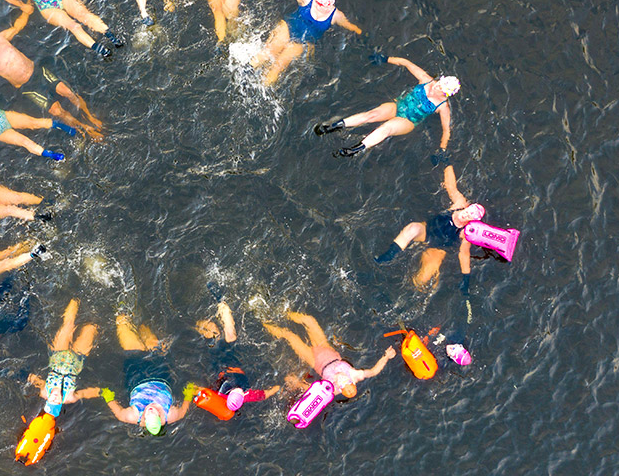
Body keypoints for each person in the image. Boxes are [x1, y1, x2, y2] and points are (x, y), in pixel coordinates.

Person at [0, 16, 104, 140]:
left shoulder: (1, 39)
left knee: (68, 92)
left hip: (39, 73)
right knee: (57, 111)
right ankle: (84, 128)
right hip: (28, 87)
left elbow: (17, 27)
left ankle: (90, 116)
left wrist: (26, 11)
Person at [316, 55, 459, 157]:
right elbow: (406, 62)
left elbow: (446, 130)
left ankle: (355, 149)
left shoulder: (442, 107)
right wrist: (384, 59)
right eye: (438, 83)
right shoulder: (426, 80)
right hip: (398, 105)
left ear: (446, 94)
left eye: (440, 88)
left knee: (386, 128)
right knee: (371, 115)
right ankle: (334, 126)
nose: (436, 87)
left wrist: (442, 149)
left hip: (408, 121)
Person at [373, 163, 486, 291]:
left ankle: (395, 287)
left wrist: (466, 278)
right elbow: (451, 186)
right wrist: (446, 163)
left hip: (437, 247)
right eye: (466, 212)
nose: (464, 215)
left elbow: (464, 254)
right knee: (412, 228)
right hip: (427, 230)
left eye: (468, 217)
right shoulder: (459, 203)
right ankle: (389, 256)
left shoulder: (467, 232)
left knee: (420, 282)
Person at [250, 0, 362, 86]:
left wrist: (360, 32)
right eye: (318, 4)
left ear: (331, 5)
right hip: (288, 27)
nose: (319, 8)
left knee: (279, 65)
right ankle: (246, 68)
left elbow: (349, 25)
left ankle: (261, 87)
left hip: (303, 41)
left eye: (323, 6)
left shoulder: (336, 16)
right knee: (270, 51)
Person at [262, 311, 396, 399]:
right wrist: (386, 357)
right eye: (352, 391)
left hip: (314, 359)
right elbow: (373, 371)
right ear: (354, 386)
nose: (349, 392)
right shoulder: (356, 375)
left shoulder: (332, 391)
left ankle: (263, 322)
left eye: (348, 394)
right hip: (325, 348)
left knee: (289, 336)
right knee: (309, 320)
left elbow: (312, 390)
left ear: (343, 393)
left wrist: (296, 383)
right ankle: (282, 312)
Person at [98, 314, 192, 435]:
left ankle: (122, 306)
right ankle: (139, 312)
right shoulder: (170, 415)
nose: (151, 407)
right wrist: (188, 394)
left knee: (122, 321)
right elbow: (183, 411)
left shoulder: (134, 416)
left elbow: (120, 414)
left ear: (145, 420)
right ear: (160, 418)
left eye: (148, 412)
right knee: (146, 330)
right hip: (160, 372)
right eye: (156, 411)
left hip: (136, 372)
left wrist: (108, 397)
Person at [194, 299, 280, 413]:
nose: (239, 389)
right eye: (240, 391)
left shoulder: (220, 393)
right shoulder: (246, 395)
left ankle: (197, 324)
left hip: (219, 361)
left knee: (216, 335)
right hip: (232, 358)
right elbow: (266, 394)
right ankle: (222, 303)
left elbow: (199, 390)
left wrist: (190, 391)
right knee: (230, 336)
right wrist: (279, 387)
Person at [26, 299, 101, 417]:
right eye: (57, 402)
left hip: (58, 354)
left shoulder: (45, 392)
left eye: (51, 401)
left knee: (68, 324)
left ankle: (76, 297)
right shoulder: (69, 397)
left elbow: (34, 379)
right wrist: (102, 392)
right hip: (77, 358)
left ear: (47, 400)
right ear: (61, 402)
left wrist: (23, 376)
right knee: (91, 327)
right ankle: (98, 305)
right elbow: (85, 393)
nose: (54, 398)